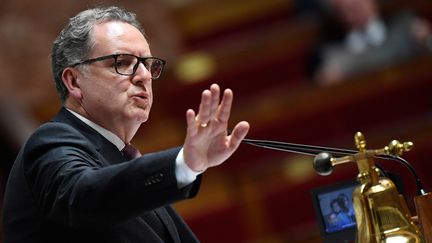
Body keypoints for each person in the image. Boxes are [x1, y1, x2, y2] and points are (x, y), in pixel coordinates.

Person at [2, 6, 250, 243]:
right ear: (74, 81)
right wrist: (184, 163)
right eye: (122, 62)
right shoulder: (51, 142)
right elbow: (83, 195)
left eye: (149, 65)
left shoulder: (122, 161)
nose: (143, 76)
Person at [308, 0, 431, 86]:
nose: (355, 8)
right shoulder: (330, 53)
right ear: (338, 13)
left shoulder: (406, 24)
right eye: (347, 7)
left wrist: (426, 41)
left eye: (359, 3)